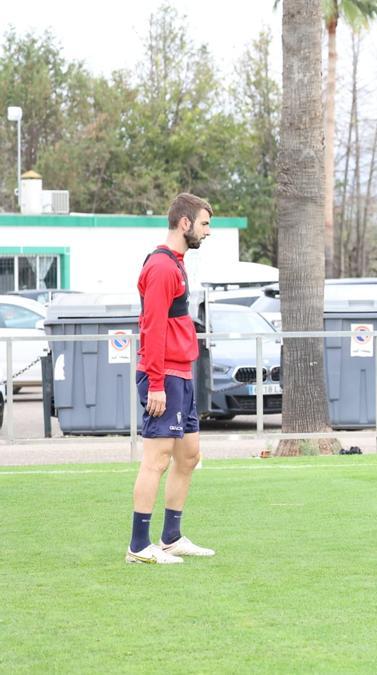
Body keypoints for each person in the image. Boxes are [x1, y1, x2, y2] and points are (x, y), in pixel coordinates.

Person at [125, 193, 216, 564]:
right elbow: (152, 328)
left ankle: (171, 537)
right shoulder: (162, 267)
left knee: (189, 456)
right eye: (205, 224)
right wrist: (157, 383)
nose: (208, 232)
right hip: (165, 378)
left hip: (182, 373)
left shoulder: (176, 263)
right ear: (185, 223)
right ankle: (137, 546)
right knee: (156, 461)